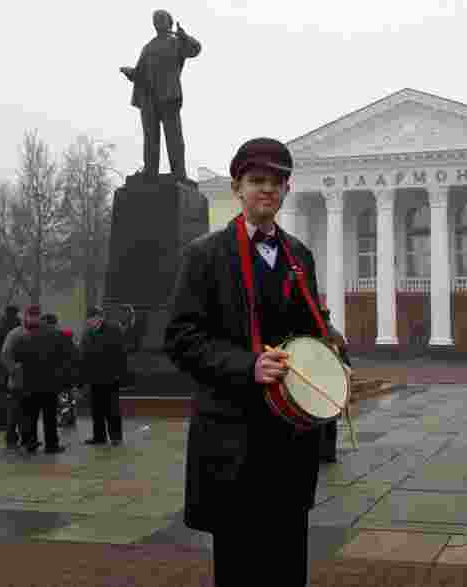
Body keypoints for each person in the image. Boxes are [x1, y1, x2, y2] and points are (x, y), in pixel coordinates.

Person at [164, 137, 336, 587]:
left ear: (286, 190)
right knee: (240, 564)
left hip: (289, 439)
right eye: (257, 181)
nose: (268, 190)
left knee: (288, 560)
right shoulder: (204, 255)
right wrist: (247, 366)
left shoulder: (300, 255)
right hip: (233, 437)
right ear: (238, 188)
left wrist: (331, 365)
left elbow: (310, 333)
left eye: (277, 183)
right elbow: (181, 338)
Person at [120, 10, 201, 182]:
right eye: (155, 19)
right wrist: (131, 73)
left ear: (169, 22)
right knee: (150, 138)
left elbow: (195, 49)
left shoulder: (176, 42)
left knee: (174, 137)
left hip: (169, 96)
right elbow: (140, 73)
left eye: (161, 18)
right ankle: (150, 172)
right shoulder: (148, 47)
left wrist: (185, 36)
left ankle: (179, 173)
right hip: (148, 98)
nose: (157, 21)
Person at [1, 305, 74, 455]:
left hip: (38, 381)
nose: (33, 318)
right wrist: (15, 370)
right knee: (29, 415)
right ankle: (33, 442)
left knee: (37, 415)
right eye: (31, 315)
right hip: (25, 382)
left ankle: (37, 444)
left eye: (36, 316)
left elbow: (59, 355)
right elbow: (7, 355)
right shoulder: (18, 334)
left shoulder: (39, 333)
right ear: (25, 316)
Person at [80, 306, 128, 446]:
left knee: (112, 408)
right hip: (94, 377)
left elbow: (120, 353)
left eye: (92, 318)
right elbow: (84, 353)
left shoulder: (114, 329)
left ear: (100, 317)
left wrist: (120, 374)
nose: (90, 321)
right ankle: (99, 437)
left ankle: (116, 437)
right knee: (96, 409)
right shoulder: (87, 332)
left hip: (111, 376)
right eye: (89, 319)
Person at [319, 309, 351, 463]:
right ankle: (329, 453)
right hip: (334, 383)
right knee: (330, 422)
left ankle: (324, 453)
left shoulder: (321, 336)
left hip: (322, 384)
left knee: (322, 421)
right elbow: (347, 362)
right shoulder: (337, 335)